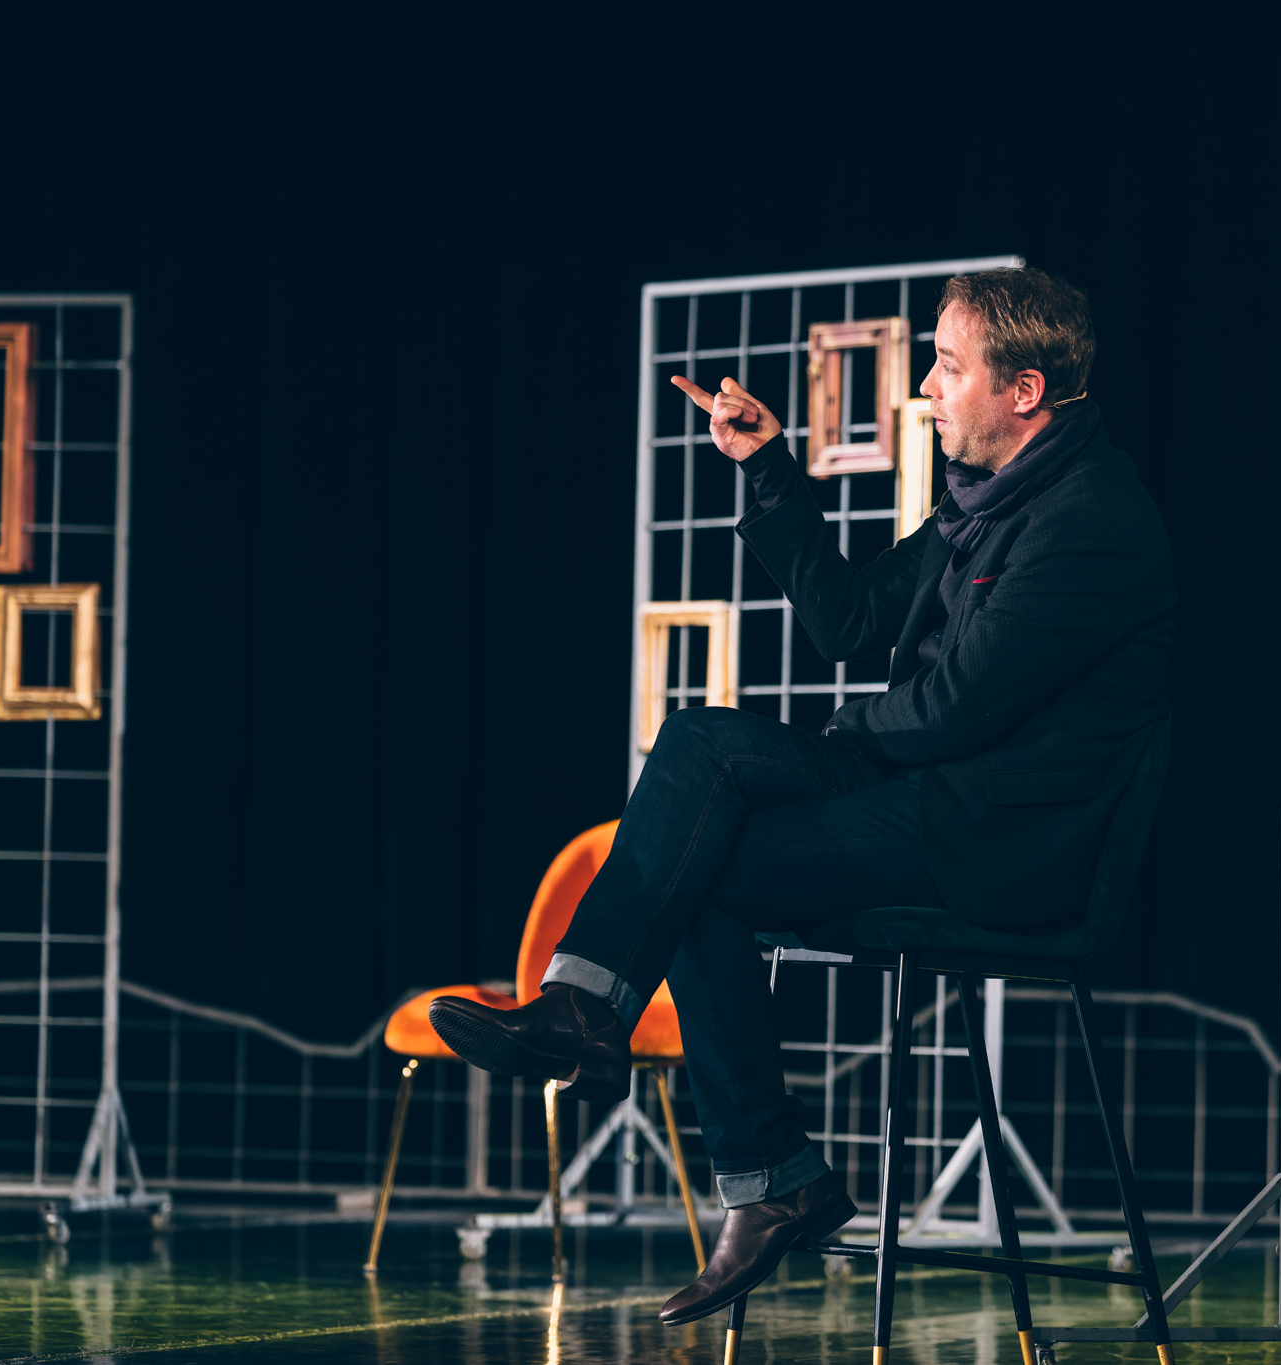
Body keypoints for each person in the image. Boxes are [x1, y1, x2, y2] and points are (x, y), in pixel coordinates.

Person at [430, 267, 1175, 1326]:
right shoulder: (984, 500)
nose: (926, 387)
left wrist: (832, 743)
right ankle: (590, 1013)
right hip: (924, 790)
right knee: (695, 745)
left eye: (948, 367)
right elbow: (851, 621)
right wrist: (769, 469)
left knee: (701, 864)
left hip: (997, 843)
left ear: (1024, 391)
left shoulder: (1090, 520)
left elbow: (954, 710)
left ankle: (764, 1170)